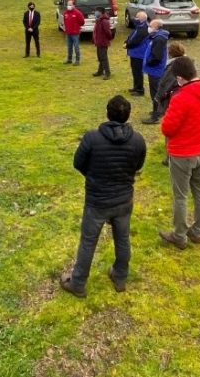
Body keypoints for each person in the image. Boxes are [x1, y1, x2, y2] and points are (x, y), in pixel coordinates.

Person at [60, 95, 147, 298]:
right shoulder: (138, 140)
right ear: (128, 115)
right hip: (124, 199)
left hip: (97, 201)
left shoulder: (92, 138)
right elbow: (138, 166)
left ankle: (78, 282)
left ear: (107, 113)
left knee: (88, 241)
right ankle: (120, 276)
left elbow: (78, 163)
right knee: (122, 238)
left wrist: (94, 176)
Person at [159, 57, 200, 250]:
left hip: (183, 154)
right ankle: (197, 230)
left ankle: (179, 235)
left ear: (179, 78)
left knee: (181, 195)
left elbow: (167, 128)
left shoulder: (181, 98)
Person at [143, 41, 186, 126]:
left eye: (168, 50)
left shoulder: (173, 65)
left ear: (171, 53)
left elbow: (166, 83)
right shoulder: (183, 61)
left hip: (172, 93)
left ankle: (155, 117)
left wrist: (158, 96)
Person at [141, 20, 170, 123]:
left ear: (157, 27)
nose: (149, 27)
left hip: (155, 70)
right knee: (156, 91)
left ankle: (155, 116)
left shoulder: (159, 39)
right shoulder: (158, 37)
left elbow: (157, 57)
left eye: (151, 25)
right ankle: (159, 111)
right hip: (155, 69)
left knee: (155, 93)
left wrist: (149, 62)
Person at [123, 12, 149, 96]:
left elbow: (136, 41)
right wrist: (126, 41)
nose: (135, 19)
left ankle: (140, 90)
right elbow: (131, 36)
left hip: (139, 54)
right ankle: (136, 86)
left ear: (141, 19)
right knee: (135, 71)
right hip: (134, 53)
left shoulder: (143, 29)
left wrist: (127, 45)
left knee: (138, 72)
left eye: (137, 17)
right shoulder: (139, 27)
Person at [91, 7, 113, 79]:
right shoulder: (98, 20)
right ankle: (100, 71)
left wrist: (108, 39)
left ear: (101, 12)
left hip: (103, 42)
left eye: (97, 11)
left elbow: (108, 32)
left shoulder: (104, 21)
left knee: (103, 58)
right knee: (100, 57)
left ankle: (107, 73)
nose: (95, 13)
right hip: (99, 42)